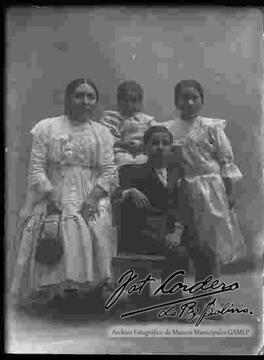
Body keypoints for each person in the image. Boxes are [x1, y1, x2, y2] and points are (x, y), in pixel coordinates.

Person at [10, 78, 118, 308]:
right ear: (68, 98)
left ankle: (88, 292)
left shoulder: (102, 133)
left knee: (94, 223)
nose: (85, 101)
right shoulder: (47, 127)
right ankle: (56, 292)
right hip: (53, 189)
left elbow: (109, 172)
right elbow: (37, 168)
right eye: (79, 95)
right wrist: (51, 195)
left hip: (90, 192)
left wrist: (93, 198)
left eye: (91, 97)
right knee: (54, 223)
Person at [164, 79, 247, 313]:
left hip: (212, 190)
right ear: (176, 101)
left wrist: (229, 192)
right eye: (184, 97)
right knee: (192, 245)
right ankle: (180, 297)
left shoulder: (212, 127)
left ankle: (208, 300)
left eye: (194, 97)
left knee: (211, 247)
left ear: (201, 100)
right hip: (185, 190)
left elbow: (226, 161)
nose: (189, 102)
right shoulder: (170, 129)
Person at [113, 125, 187, 281]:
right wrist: (130, 191)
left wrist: (177, 233)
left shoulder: (177, 173)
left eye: (165, 143)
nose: (160, 147)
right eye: (154, 143)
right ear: (145, 148)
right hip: (142, 234)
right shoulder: (130, 172)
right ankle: (141, 296)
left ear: (171, 148)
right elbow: (113, 195)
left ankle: (172, 295)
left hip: (169, 232)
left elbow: (182, 205)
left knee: (193, 249)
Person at [101, 80, 156, 165]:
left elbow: (157, 134)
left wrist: (143, 146)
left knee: (145, 160)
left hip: (141, 152)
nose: (129, 105)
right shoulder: (110, 117)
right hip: (119, 153)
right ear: (118, 101)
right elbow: (105, 139)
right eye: (126, 100)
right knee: (120, 160)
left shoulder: (147, 120)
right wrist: (125, 145)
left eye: (134, 101)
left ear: (140, 102)